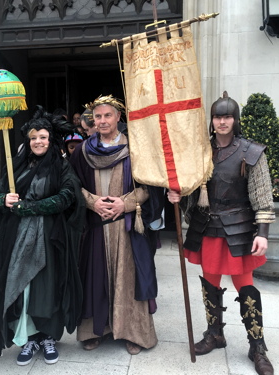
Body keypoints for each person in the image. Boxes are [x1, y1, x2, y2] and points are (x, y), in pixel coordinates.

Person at [167, 92, 275, 375]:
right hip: (206, 228)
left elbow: (262, 195)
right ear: (212, 120)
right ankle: (215, 334)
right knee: (210, 284)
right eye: (217, 116)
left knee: (246, 287)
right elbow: (190, 186)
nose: (222, 121)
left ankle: (257, 346)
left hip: (239, 229)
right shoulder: (200, 151)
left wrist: (262, 232)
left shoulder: (250, 151)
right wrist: (178, 194)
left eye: (227, 116)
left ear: (235, 120)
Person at [0, 106, 85, 366]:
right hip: (16, 237)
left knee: (47, 285)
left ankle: (48, 336)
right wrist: (4, 199)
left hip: (50, 237)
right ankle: (28, 338)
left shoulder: (62, 166)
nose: (38, 141)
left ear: (50, 139)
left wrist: (31, 208)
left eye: (42, 137)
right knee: (22, 287)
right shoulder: (15, 164)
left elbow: (68, 196)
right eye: (33, 137)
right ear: (28, 141)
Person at [69, 95, 161, 355]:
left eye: (107, 115)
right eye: (97, 117)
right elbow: (73, 186)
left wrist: (126, 204)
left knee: (130, 280)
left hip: (127, 227)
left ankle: (133, 333)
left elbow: (149, 187)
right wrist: (92, 202)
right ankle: (94, 330)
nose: (102, 121)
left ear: (118, 117)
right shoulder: (84, 151)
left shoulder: (135, 149)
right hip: (96, 225)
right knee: (94, 276)